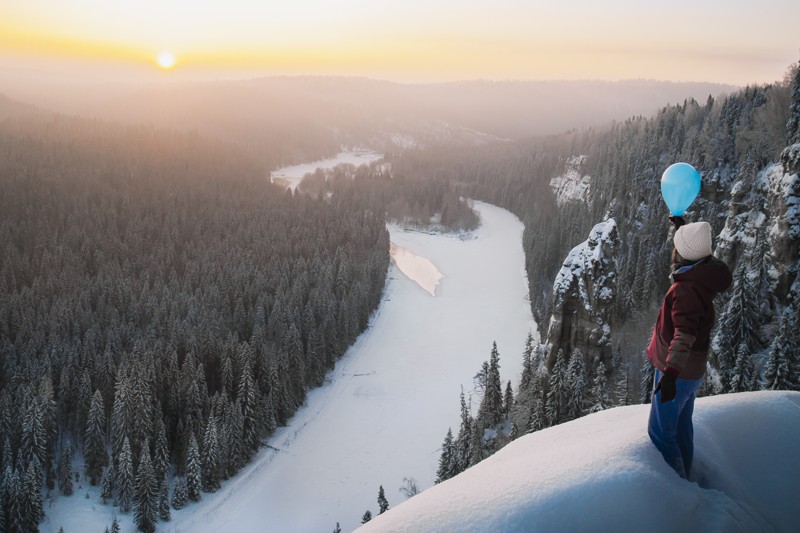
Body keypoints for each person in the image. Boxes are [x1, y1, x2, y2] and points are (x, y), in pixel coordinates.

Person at [646, 217, 732, 479]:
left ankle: (677, 489)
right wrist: (684, 231)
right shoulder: (705, 272)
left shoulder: (687, 290)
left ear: (685, 255)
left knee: (660, 432)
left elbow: (684, 334)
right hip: (691, 372)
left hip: (677, 373)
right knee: (682, 426)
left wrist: (670, 373)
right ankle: (687, 471)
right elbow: (700, 255)